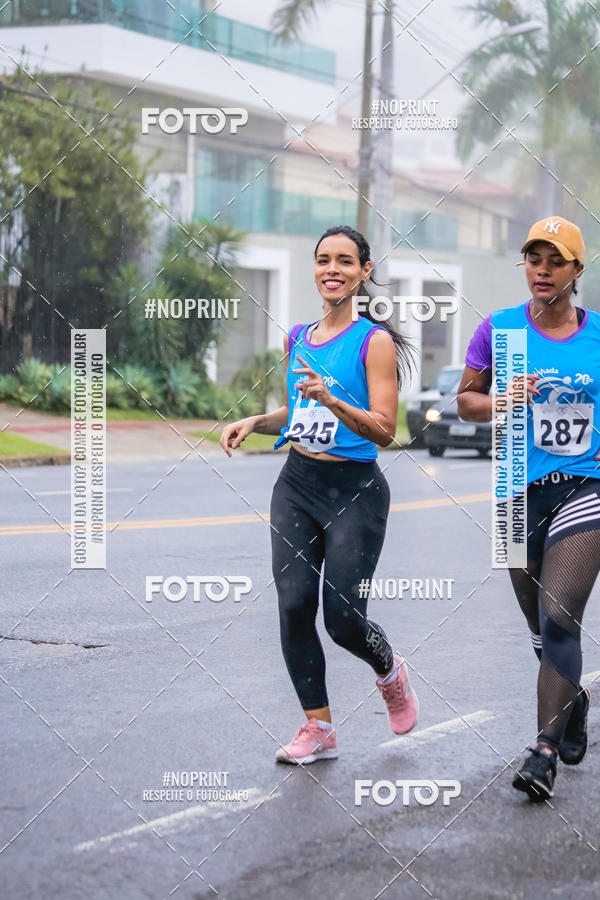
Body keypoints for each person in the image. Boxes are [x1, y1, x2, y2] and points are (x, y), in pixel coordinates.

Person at [220, 225, 418, 764]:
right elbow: (297, 410)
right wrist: (256, 421)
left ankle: (389, 670)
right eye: (323, 260)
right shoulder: (298, 338)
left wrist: (332, 399)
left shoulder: (373, 342)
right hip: (297, 484)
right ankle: (318, 728)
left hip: (355, 491)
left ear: (364, 272)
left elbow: (385, 429)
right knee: (293, 605)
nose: (333, 269)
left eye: (345, 261)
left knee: (343, 620)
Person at [457, 216, 600, 801]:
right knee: (540, 630)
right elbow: (464, 402)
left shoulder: (597, 336)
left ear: (576, 270)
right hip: (516, 488)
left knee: (560, 616)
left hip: (586, 488)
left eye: (555, 261)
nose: (542, 270)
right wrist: (501, 398)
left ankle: (542, 753)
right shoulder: (501, 330)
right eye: (534, 259)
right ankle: (575, 698)